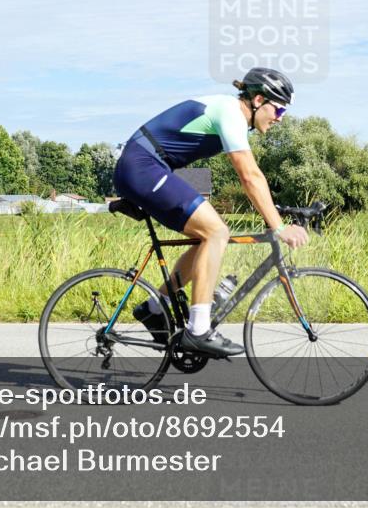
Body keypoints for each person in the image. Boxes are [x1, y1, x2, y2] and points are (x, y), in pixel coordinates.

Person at [112, 67, 309, 357]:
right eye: (278, 111)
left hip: (147, 167)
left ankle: (155, 308)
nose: (279, 120)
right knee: (216, 231)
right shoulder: (230, 112)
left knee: (206, 237)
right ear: (257, 100)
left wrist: (276, 211)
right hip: (142, 167)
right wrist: (278, 226)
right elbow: (250, 176)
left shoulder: (231, 115)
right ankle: (199, 329)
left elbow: (254, 179)